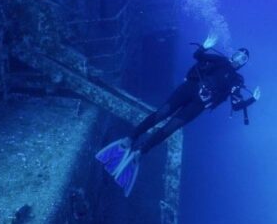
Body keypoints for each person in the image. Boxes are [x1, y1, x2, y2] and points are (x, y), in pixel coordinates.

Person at [95, 35, 261, 196]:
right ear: (233, 54)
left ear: (244, 64)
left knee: (170, 128)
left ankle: (140, 152)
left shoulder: (237, 81)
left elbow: (236, 105)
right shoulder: (221, 61)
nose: (239, 59)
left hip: (198, 105)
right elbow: (197, 56)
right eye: (238, 55)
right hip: (188, 89)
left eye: (243, 59)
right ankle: (129, 139)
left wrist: (252, 99)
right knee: (161, 113)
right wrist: (205, 46)